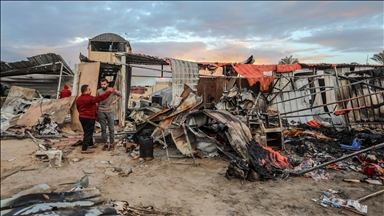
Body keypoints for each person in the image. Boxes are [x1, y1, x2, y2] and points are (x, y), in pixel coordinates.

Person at [76, 84, 115, 154]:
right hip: (89, 118)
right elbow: (101, 98)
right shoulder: (90, 99)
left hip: (81, 117)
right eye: (89, 89)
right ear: (86, 91)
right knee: (88, 133)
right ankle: (84, 148)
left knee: (88, 131)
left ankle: (90, 144)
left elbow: (78, 108)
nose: (90, 91)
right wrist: (109, 92)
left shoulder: (78, 99)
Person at [96, 78, 122, 150]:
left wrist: (115, 101)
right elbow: (97, 101)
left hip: (110, 110)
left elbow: (120, 94)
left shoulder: (111, 90)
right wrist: (97, 111)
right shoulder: (98, 91)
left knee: (111, 128)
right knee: (103, 128)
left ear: (107, 84)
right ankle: (105, 143)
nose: (103, 85)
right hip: (101, 111)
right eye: (102, 84)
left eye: (104, 84)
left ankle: (111, 142)